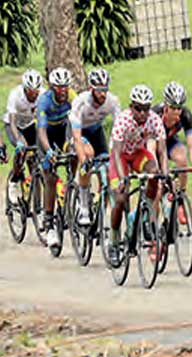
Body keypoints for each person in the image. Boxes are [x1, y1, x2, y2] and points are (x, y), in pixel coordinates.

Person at [107, 85, 167, 266]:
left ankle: (147, 215)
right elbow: (116, 152)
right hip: (121, 157)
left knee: (154, 174)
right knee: (120, 198)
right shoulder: (123, 120)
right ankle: (114, 241)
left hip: (139, 154)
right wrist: (122, 179)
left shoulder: (154, 120)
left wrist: (165, 174)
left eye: (146, 109)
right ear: (131, 107)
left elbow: (162, 151)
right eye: (138, 108)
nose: (142, 113)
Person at [69, 68, 121, 226]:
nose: (103, 94)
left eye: (105, 89)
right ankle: (83, 206)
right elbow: (76, 137)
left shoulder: (113, 101)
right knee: (88, 158)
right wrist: (83, 159)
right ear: (91, 88)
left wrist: (114, 152)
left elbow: (118, 130)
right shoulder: (81, 101)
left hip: (96, 132)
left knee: (107, 171)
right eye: (99, 90)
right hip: (78, 132)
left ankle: (100, 212)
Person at [153, 81, 192, 224]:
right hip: (153, 144)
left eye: (179, 108)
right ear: (166, 106)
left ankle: (180, 199)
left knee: (182, 159)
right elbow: (151, 147)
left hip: (170, 141)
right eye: (173, 108)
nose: (177, 112)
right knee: (157, 188)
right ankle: (152, 229)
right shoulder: (155, 115)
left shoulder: (185, 115)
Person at [37, 67, 77, 249]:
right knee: (50, 178)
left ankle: (73, 185)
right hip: (46, 137)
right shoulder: (44, 101)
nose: (63, 91)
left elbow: (77, 122)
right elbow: (42, 131)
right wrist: (49, 152)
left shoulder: (72, 96)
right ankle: (49, 222)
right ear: (52, 87)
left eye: (65, 87)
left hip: (63, 132)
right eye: (59, 87)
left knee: (75, 152)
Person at [4, 69, 44, 203]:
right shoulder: (15, 95)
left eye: (36, 92)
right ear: (25, 89)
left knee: (35, 161)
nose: (34, 95)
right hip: (13, 125)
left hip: (29, 124)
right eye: (31, 92)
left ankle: (36, 203)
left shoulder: (43, 95)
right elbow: (13, 122)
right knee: (23, 148)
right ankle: (14, 180)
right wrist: (19, 142)